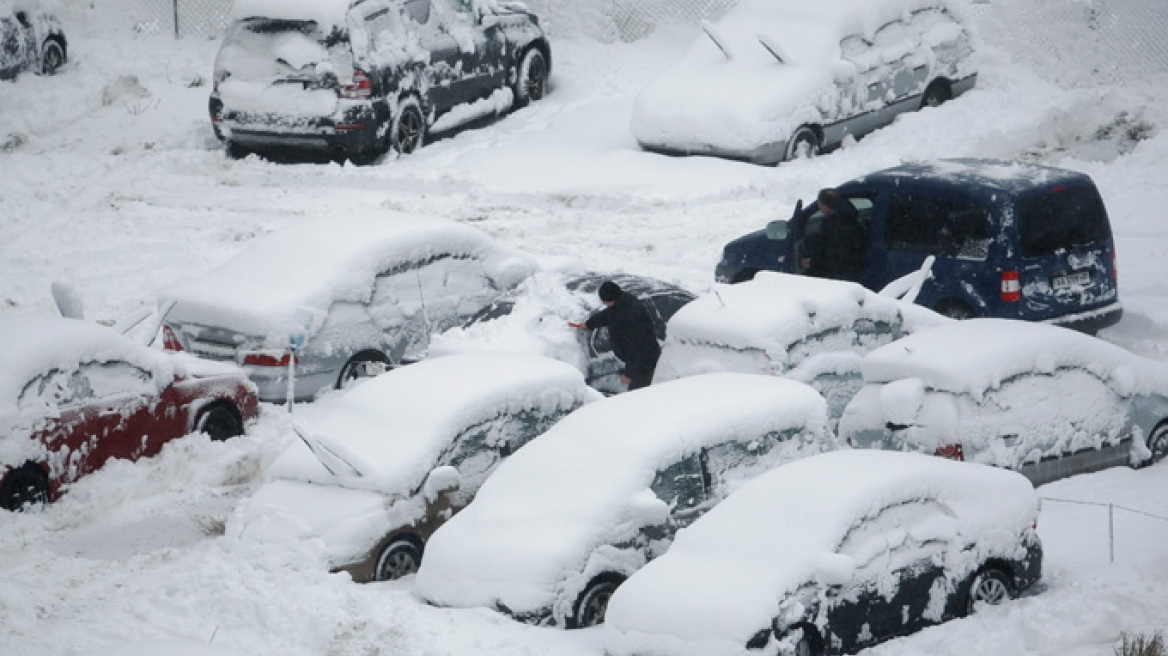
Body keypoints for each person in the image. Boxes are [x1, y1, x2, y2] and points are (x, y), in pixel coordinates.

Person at [569, 281, 661, 391]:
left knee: (637, 395)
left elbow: (637, 348)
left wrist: (629, 373)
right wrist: (589, 324)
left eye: (605, 301)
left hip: (645, 361)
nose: (604, 303)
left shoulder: (632, 316)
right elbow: (608, 315)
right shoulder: (621, 304)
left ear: (611, 298)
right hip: (639, 359)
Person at [798, 188, 867, 283]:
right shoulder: (850, 218)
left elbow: (831, 254)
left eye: (819, 204)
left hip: (839, 276)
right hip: (854, 269)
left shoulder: (832, 224)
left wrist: (811, 263)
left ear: (824, 205)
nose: (819, 208)